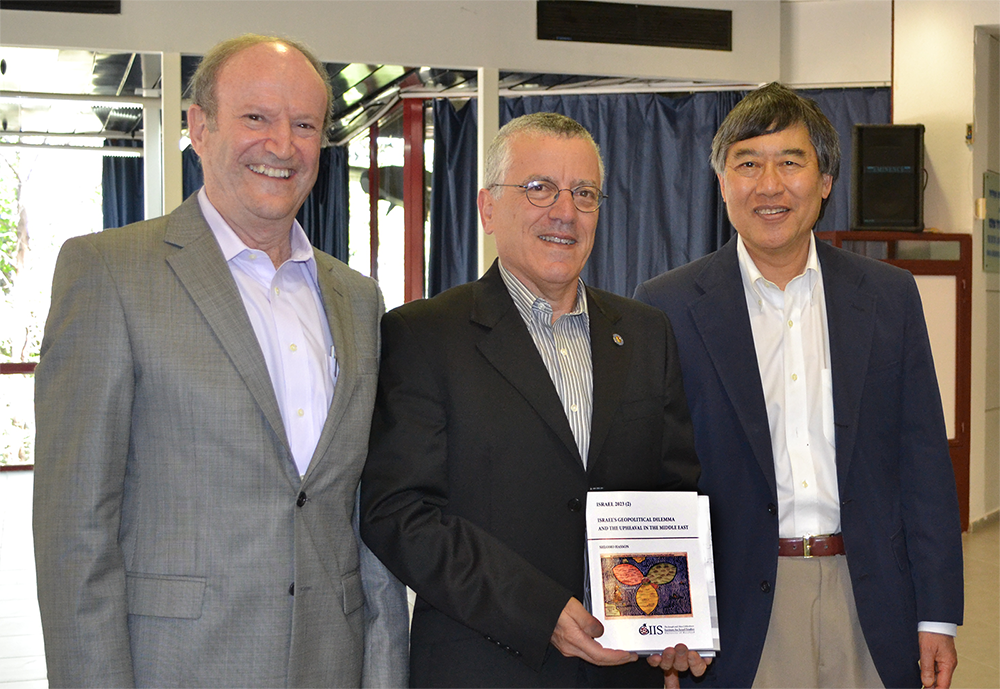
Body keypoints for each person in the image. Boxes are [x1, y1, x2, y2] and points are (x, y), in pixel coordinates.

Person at [32, 34, 408, 689]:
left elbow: (361, 519)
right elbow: (75, 534)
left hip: (330, 661)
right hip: (179, 666)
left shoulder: (358, 300)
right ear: (198, 127)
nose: (282, 145)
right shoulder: (108, 274)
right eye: (256, 117)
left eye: (304, 124)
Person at [359, 112, 707, 689]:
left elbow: (673, 493)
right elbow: (398, 514)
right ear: (488, 208)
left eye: (584, 193)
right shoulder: (424, 335)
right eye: (539, 188)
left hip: (622, 674)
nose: (564, 212)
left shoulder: (647, 333)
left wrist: (674, 619)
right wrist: (538, 610)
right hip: (486, 666)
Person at [634, 82, 964, 689]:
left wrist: (938, 613)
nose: (770, 185)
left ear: (825, 180)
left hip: (872, 598)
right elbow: (654, 471)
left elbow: (924, 463)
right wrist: (664, 617)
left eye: (791, 162)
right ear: (722, 181)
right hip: (734, 608)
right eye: (748, 164)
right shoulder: (668, 306)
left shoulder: (888, 297)